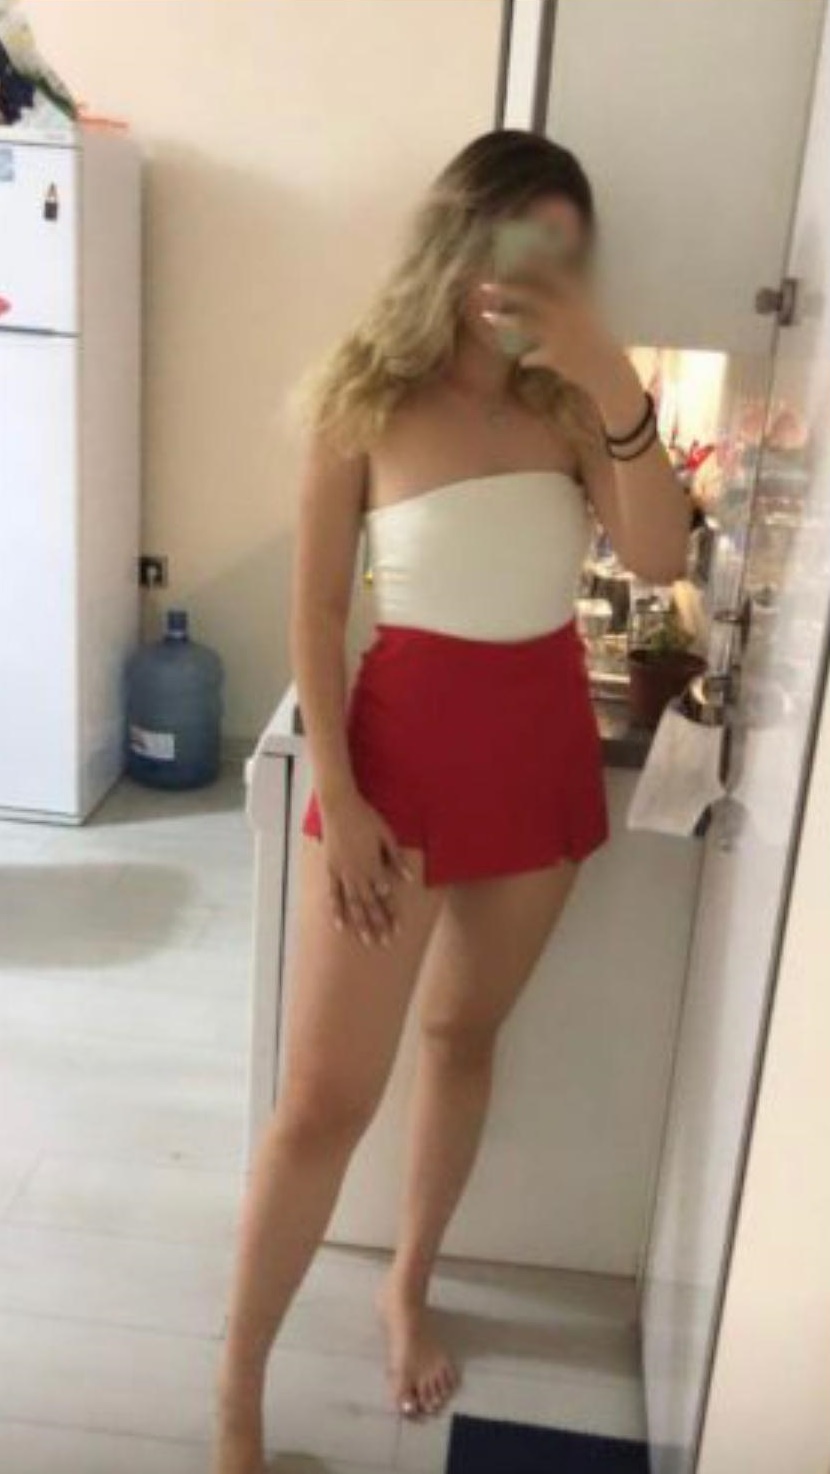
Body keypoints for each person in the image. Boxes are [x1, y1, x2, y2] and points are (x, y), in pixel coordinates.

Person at [214, 128, 689, 1474]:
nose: (538, 274)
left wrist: (609, 376)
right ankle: (236, 1400)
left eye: (565, 254)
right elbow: (316, 613)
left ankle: (405, 1287)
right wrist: (341, 794)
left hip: (537, 755)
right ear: (462, 239)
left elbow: (657, 554)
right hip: (398, 763)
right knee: (319, 1103)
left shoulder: (573, 405)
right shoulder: (364, 395)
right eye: (523, 240)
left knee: (462, 1035)